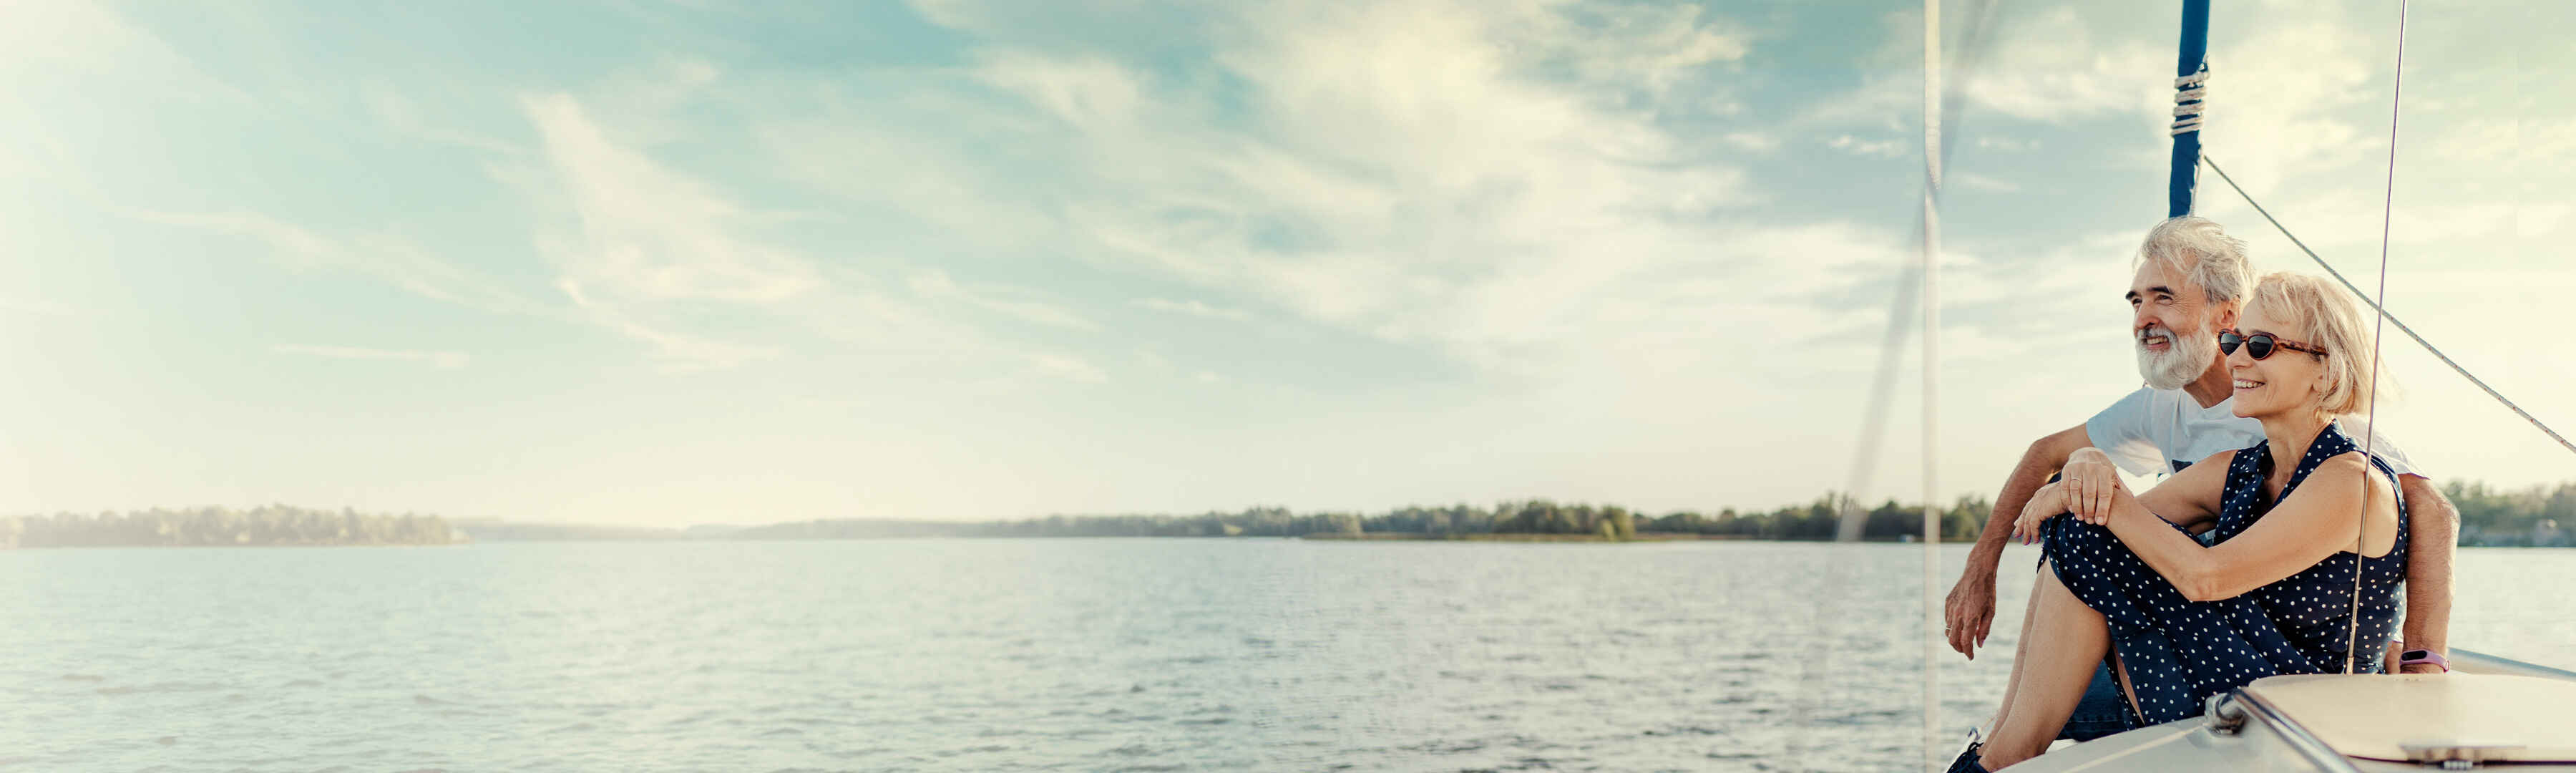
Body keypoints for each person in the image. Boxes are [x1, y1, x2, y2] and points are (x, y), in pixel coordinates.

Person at [1940, 217, 2460, 744]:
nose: (2144, 317)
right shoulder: (2193, 424)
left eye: (2162, 297)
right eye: (2135, 301)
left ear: (2223, 312)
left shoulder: (2329, 431)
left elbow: (2431, 512)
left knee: (2065, 685)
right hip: (2221, 632)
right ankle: (2000, 749)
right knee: (2079, 537)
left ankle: (2004, 749)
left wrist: (2420, 666)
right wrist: (1987, 560)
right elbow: (2048, 455)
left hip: (2288, 667)